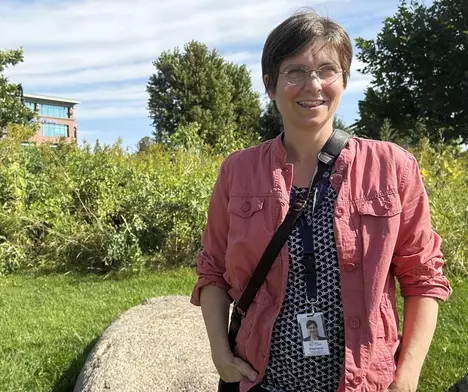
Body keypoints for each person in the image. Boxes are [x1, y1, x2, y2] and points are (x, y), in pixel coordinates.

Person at [190, 10, 452, 392]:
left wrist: (407, 376)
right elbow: (212, 270)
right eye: (295, 71)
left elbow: (423, 276)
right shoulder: (238, 171)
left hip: (363, 382)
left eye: (327, 69)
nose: (313, 84)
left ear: (343, 80)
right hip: (261, 381)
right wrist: (220, 354)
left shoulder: (393, 167)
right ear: (270, 85)